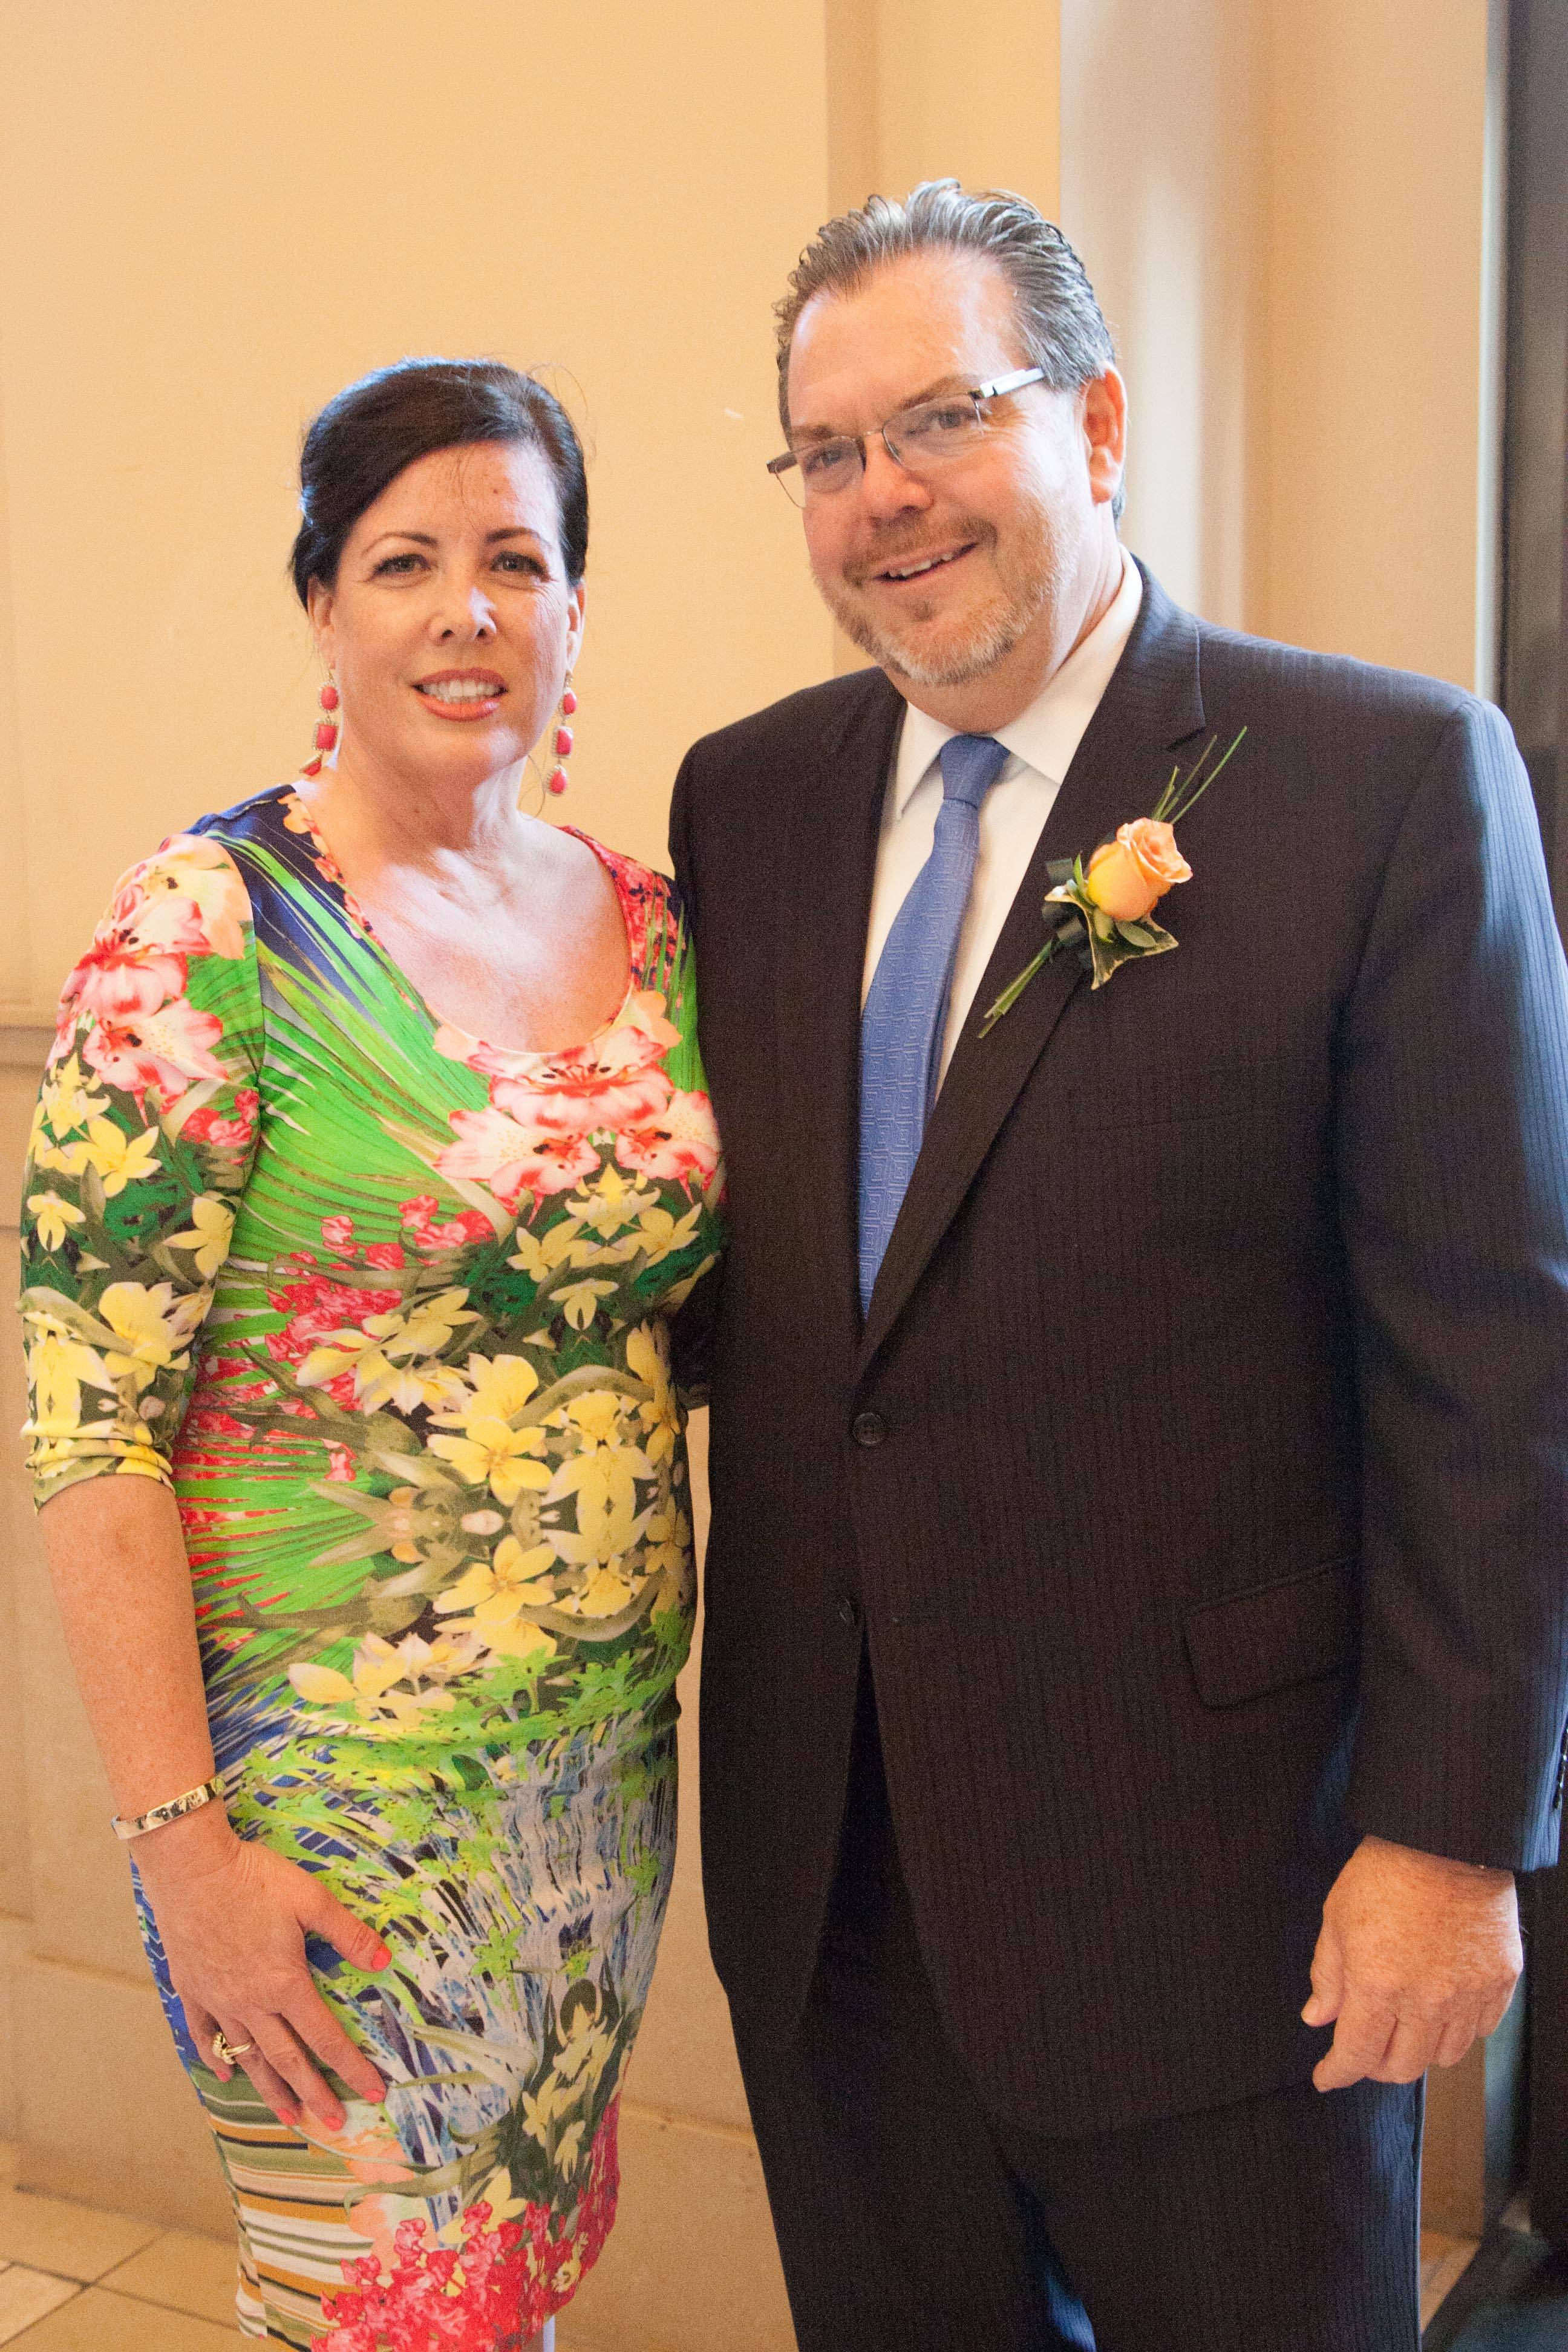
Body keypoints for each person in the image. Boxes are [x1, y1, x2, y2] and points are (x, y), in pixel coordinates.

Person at [668, 181, 1568, 2350]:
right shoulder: (745, 804)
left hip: (1228, 1900)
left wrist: (1451, 1841)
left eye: (941, 419)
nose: (884, 496)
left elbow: (1496, 1360)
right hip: (834, 1889)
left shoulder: (1380, 779)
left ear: (1095, 424)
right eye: (827, 452)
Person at [20, 356, 722, 2350]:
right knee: (377, 2311)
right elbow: (91, 1431)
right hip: (318, 1815)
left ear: (577, 604)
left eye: (517, 559)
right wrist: (185, 1863)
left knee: (506, 2294)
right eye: (406, 561)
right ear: (322, 601)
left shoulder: (659, 928)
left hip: (591, 1783)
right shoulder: (206, 932)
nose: (464, 611)